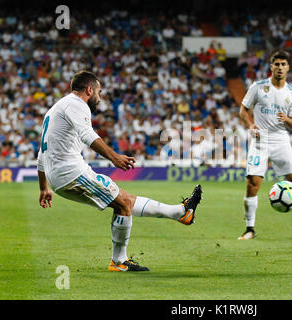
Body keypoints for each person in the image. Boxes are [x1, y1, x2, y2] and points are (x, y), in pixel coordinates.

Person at [37, 71, 203, 272]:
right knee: (123, 203)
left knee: (123, 200)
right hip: (72, 173)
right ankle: (119, 261)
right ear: (89, 90)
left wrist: (44, 186)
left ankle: (180, 212)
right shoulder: (76, 104)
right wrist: (114, 157)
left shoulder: (55, 109)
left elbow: (41, 153)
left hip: (60, 176)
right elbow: (88, 135)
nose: (99, 97)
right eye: (99, 91)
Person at [238, 51, 292, 240]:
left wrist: (286, 119)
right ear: (271, 67)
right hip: (260, 141)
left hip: (280, 140)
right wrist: (250, 125)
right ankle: (249, 229)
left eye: (283, 64)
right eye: (276, 64)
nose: (279, 67)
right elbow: (243, 110)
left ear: (288, 67)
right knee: (252, 184)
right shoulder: (258, 87)